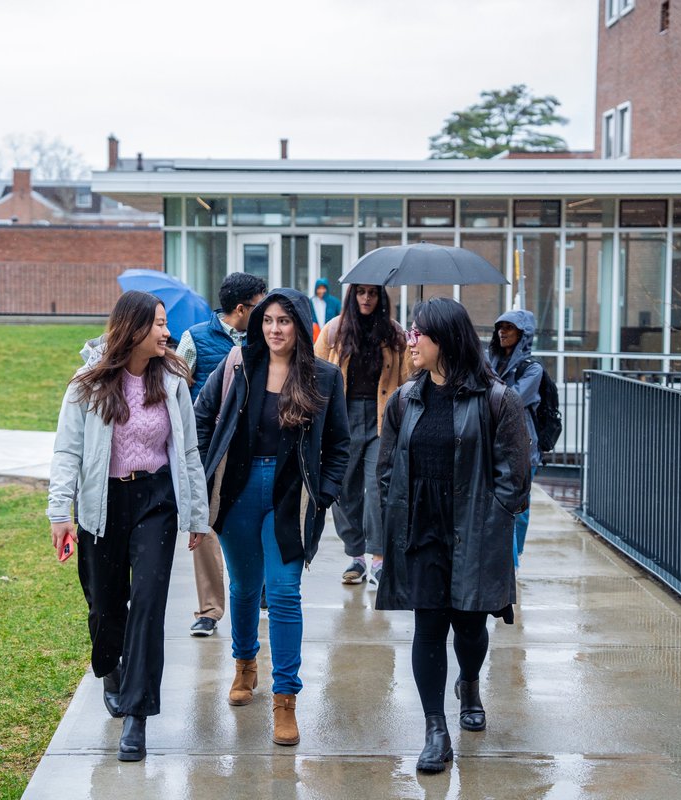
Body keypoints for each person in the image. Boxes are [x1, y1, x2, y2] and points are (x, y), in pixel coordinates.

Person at [46, 290, 210, 763]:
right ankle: (110, 666)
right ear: (133, 327)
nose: (166, 332)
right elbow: (67, 451)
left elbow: (189, 452)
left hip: (157, 501)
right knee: (105, 605)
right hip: (102, 501)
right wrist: (60, 513)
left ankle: (136, 717)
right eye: (159, 324)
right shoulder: (88, 382)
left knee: (149, 605)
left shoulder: (174, 378)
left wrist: (196, 513)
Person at [376, 297, 530, 774]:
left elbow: (515, 478)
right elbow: (387, 470)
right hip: (422, 529)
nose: (410, 339)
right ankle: (435, 730)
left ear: (446, 338)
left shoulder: (497, 398)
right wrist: (396, 516)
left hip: (474, 528)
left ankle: (470, 681)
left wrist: (492, 519)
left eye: (419, 332)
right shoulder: (405, 398)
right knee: (428, 628)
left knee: (469, 627)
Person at [194, 287, 350, 747]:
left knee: (283, 593)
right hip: (239, 492)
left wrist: (324, 493)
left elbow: (340, 445)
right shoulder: (239, 364)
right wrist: (207, 467)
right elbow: (203, 417)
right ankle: (245, 665)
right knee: (243, 587)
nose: (275, 329)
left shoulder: (324, 376)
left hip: (290, 497)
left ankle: (286, 700)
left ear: (300, 326)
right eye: (268, 321)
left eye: (284, 321)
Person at [175, 272, 267, 637]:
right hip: (210, 450)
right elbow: (177, 389)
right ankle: (209, 610)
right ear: (242, 309)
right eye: (260, 306)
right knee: (206, 526)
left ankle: (258, 587)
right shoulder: (194, 338)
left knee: (255, 520)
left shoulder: (268, 340)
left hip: (255, 448)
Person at [314, 283, 409, 586]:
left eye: (373, 292)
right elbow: (314, 372)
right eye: (361, 292)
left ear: (381, 297)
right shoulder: (334, 331)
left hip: (383, 418)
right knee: (343, 490)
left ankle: (379, 558)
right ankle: (355, 556)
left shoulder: (394, 334)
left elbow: (408, 379)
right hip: (342, 418)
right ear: (352, 296)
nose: (366, 298)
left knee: (378, 488)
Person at [488, 309, 542, 568]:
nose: (502, 332)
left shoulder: (532, 370)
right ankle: (508, 565)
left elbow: (512, 401)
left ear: (523, 334)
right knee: (503, 508)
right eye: (500, 326)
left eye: (509, 327)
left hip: (523, 447)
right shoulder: (490, 363)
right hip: (493, 443)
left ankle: (514, 557)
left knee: (520, 510)